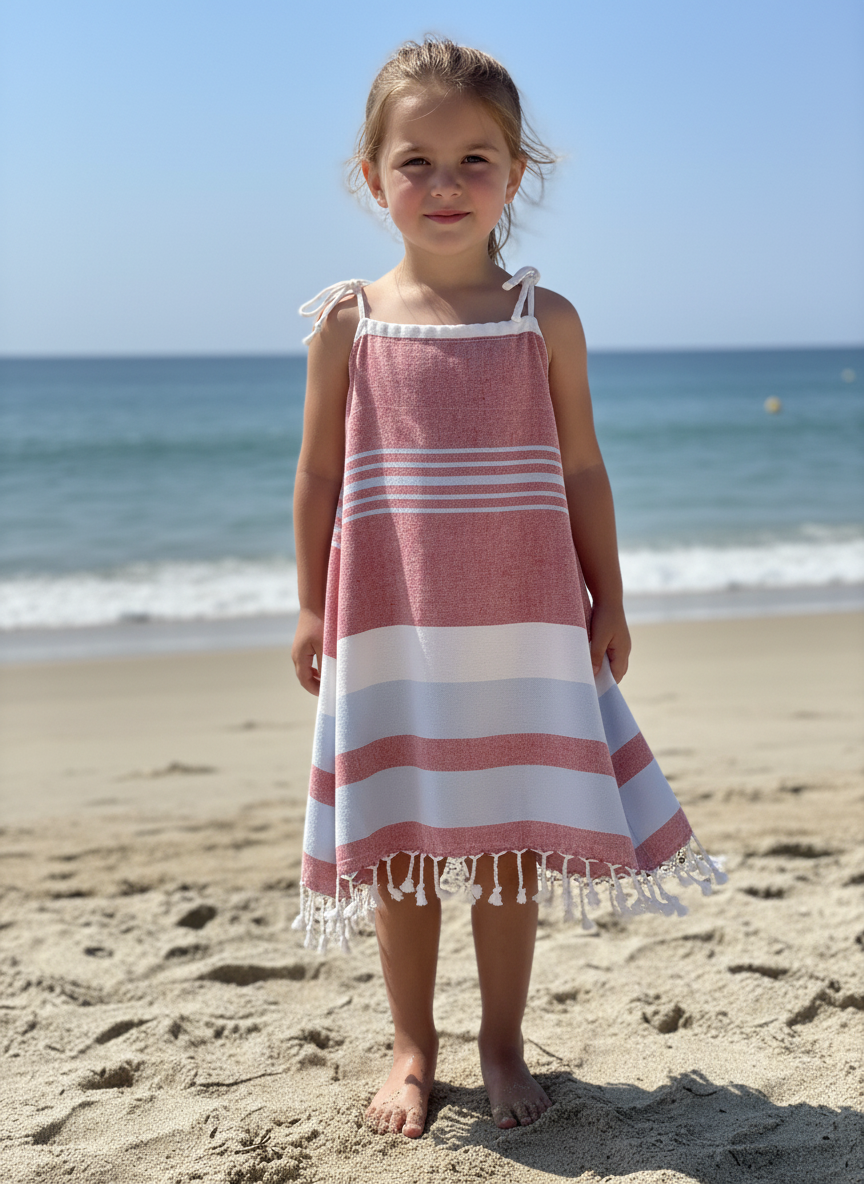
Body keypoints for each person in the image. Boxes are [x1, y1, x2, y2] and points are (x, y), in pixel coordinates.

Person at [290, 36, 725, 1140]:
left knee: (509, 845)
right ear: (371, 175)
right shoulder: (348, 322)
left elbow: (581, 464)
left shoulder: (546, 319)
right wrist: (307, 605)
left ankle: (500, 1039)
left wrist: (609, 595)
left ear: (517, 174)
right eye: (416, 162)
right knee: (400, 842)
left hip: (523, 621)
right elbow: (320, 474)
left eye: (474, 159)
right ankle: (413, 1046)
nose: (445, 186)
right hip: (395, 623)